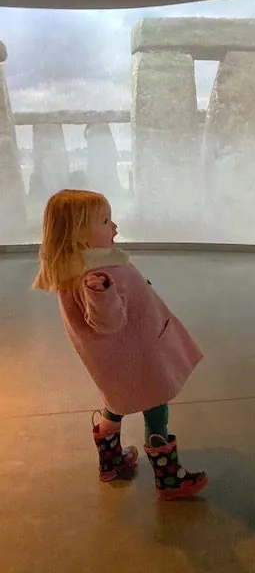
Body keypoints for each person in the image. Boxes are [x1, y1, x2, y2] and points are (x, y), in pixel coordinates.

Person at [33, 189, 208, 501]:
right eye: (105, 221)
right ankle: (168, 478)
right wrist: (102, 294)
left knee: (115, 402)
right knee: (156, 406)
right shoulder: (97, 275)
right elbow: (107, 322)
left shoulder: (78, 268)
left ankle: (111, 460)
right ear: (80, 236)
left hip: (113, 360)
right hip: (138, 356)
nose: (114, 227)